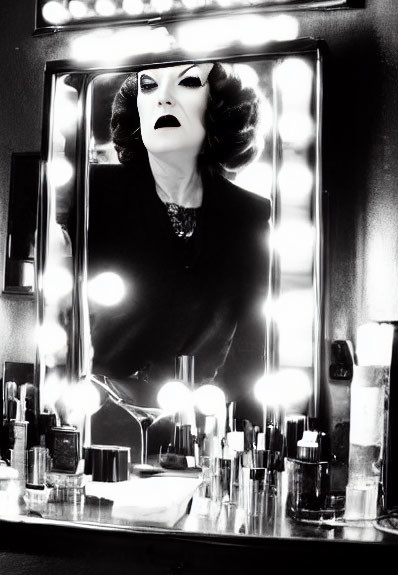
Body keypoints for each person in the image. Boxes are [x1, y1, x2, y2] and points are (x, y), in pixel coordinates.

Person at [85, 61, 271, 459]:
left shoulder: (249, 215)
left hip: (199, 432)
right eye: (149, 86)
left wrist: (246, 443)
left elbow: (253, 344)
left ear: (217, 107)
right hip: (98, 421)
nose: (164, 97)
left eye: (187, 82)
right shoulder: (93, 195)